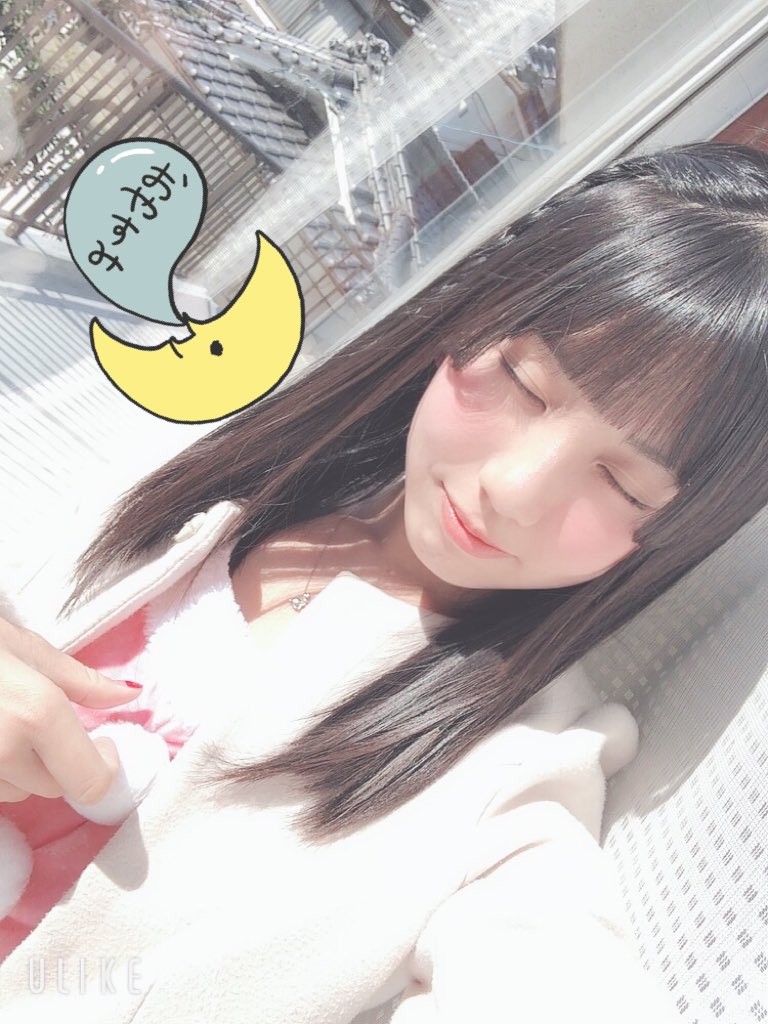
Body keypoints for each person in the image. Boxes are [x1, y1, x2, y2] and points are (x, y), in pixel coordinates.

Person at [0, 139, 766, 1022]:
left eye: (623, 484)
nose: (514, 489)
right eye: (525, 382)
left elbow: (545, 967)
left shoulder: (511, 769)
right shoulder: (223, 479)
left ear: (674, 532)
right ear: (472, 316)